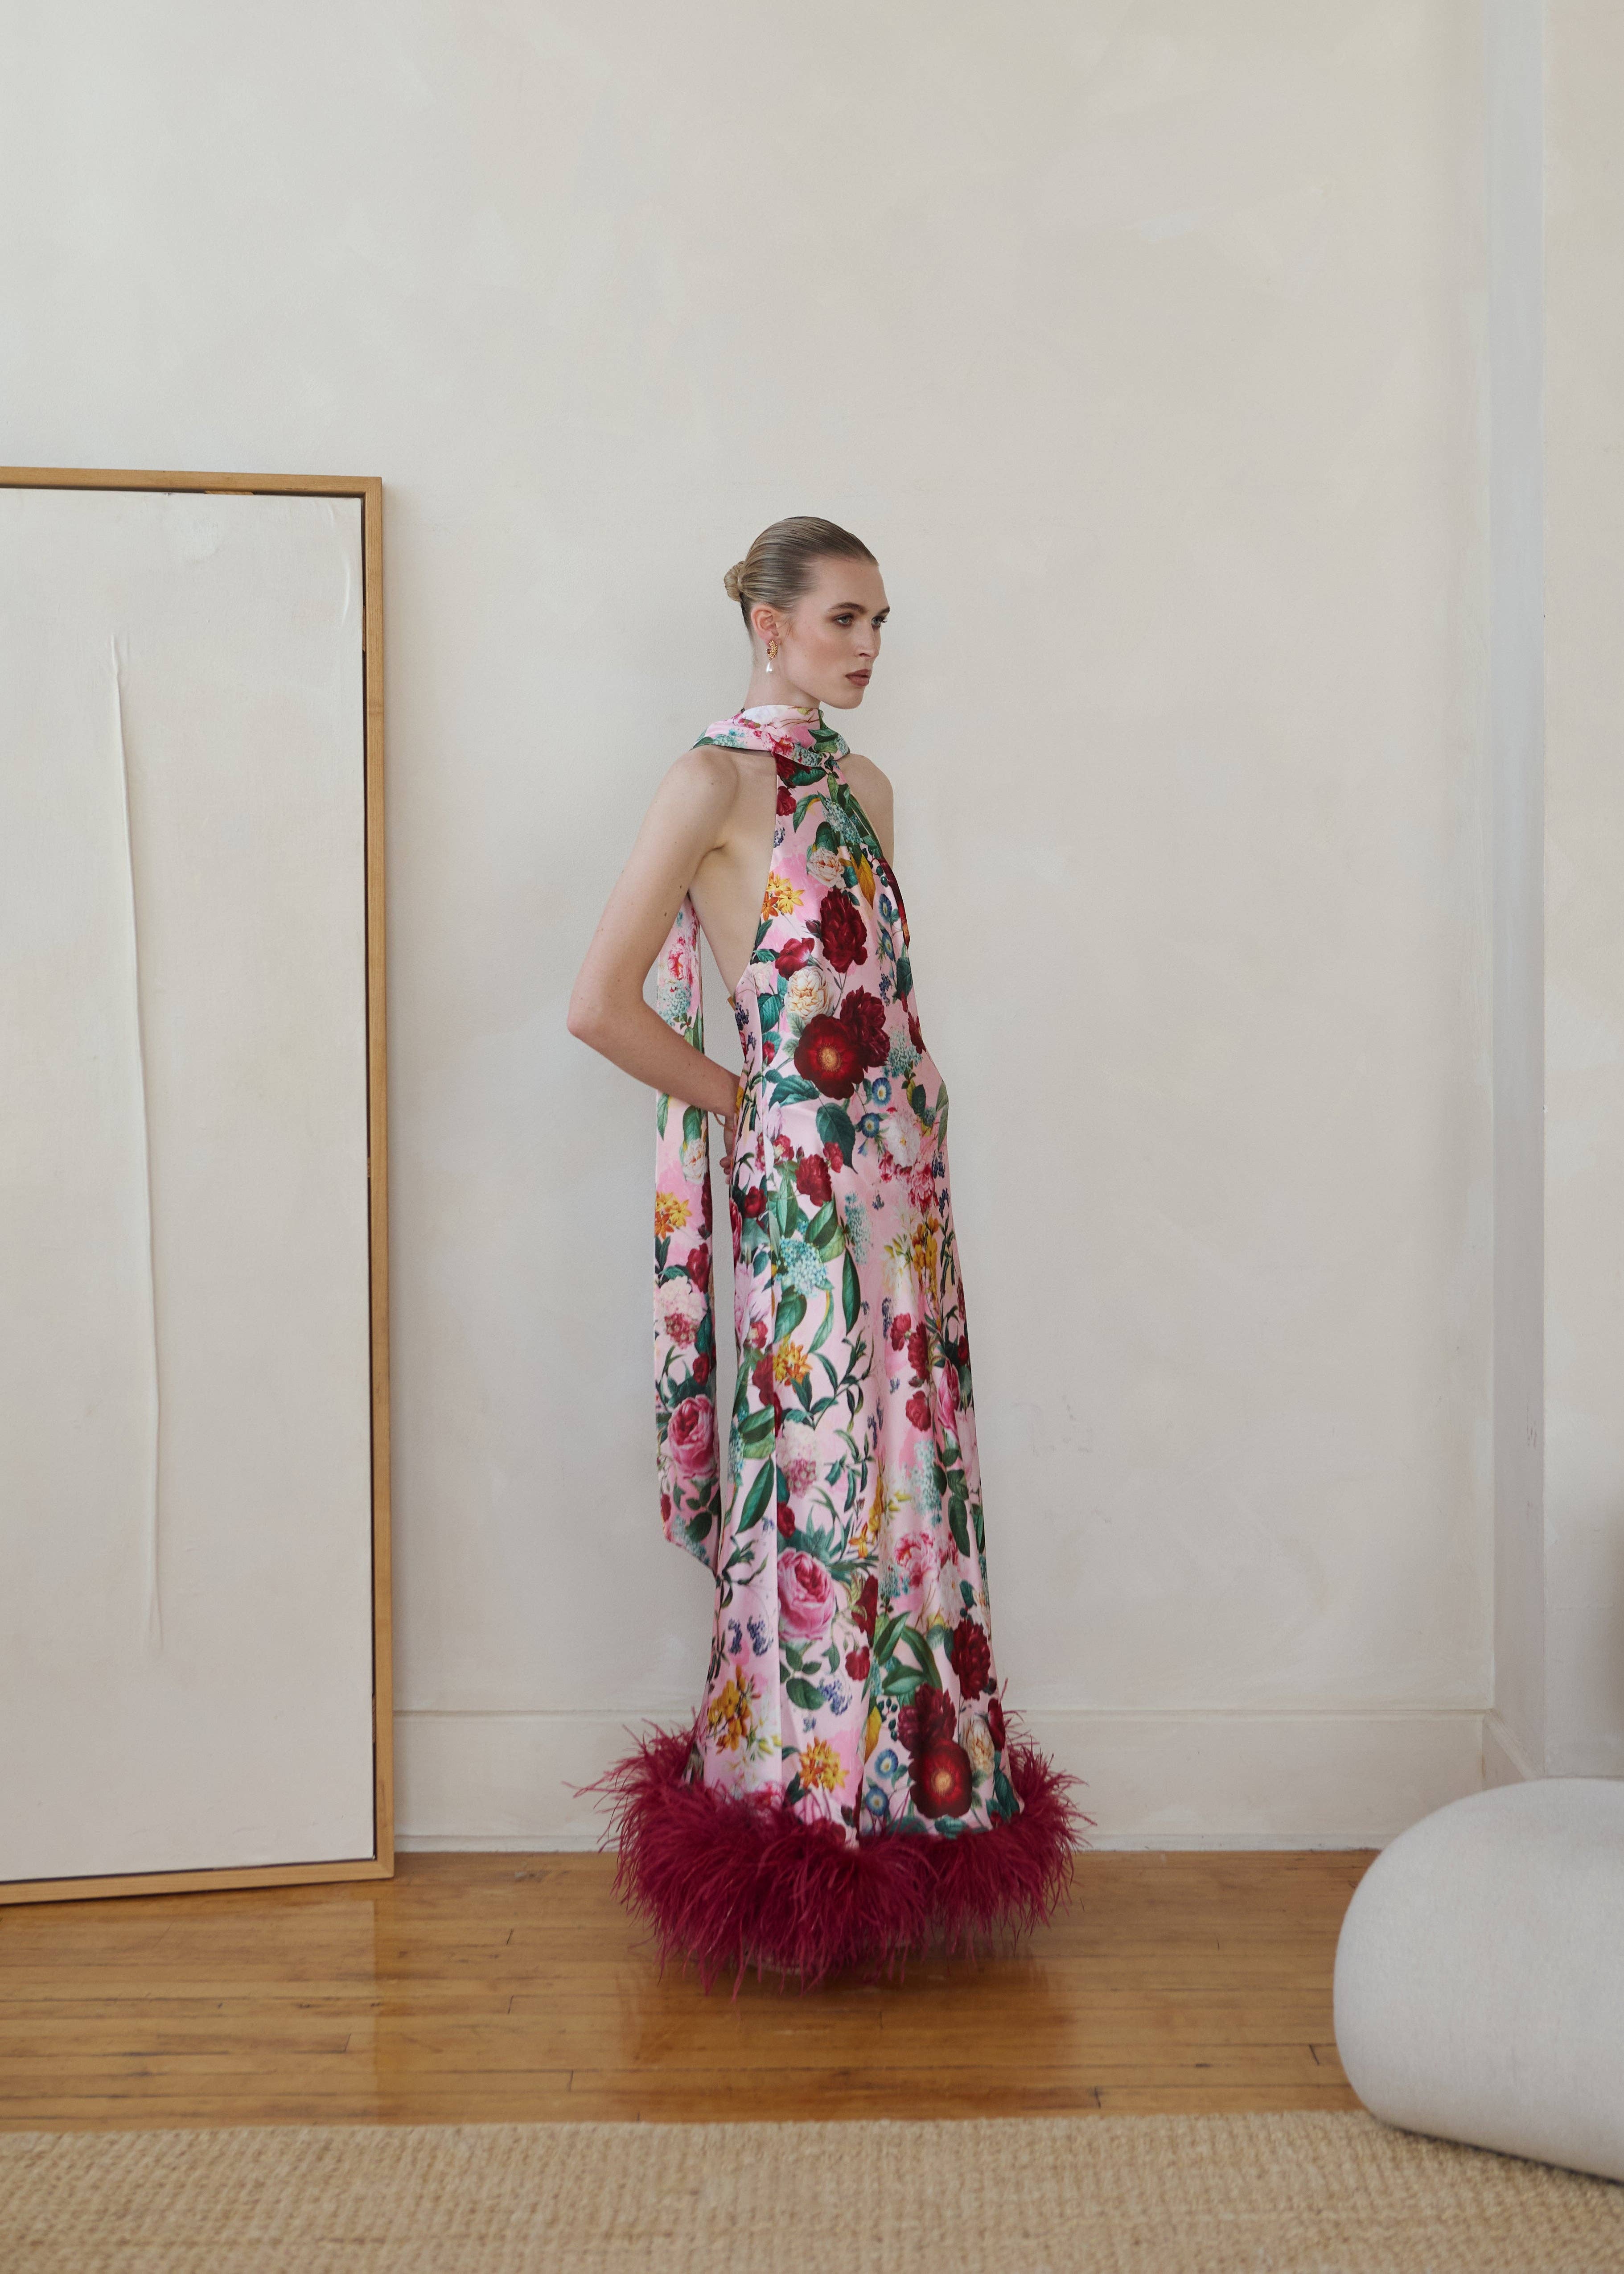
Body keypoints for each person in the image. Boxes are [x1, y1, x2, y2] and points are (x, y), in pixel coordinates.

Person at [569, 515, 1085, 1986]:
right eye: (843, 618)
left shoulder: (866, 789)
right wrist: (749, 1102)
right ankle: (797, 1808)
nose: (867, 647)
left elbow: (874, 993)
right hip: (802, 1188)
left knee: (913, 1477)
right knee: (820, 1472)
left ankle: (912, 1808)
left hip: (902, 1185)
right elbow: (600, 1003)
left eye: (878, 623)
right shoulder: (710, 781)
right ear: (769, 624)